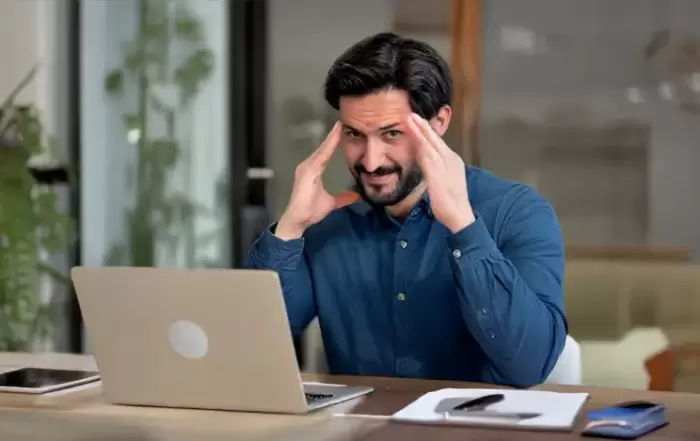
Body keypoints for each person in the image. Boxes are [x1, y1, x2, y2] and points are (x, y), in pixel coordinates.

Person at [247, 32, 567, 387]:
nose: (370, 161)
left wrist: (464, 226)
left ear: (439, 123)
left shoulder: (516, 212)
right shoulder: (327, 224)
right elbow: (249, 350)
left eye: (391, 134)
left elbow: (530, 365)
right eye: (354, 135)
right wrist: (291, 228)